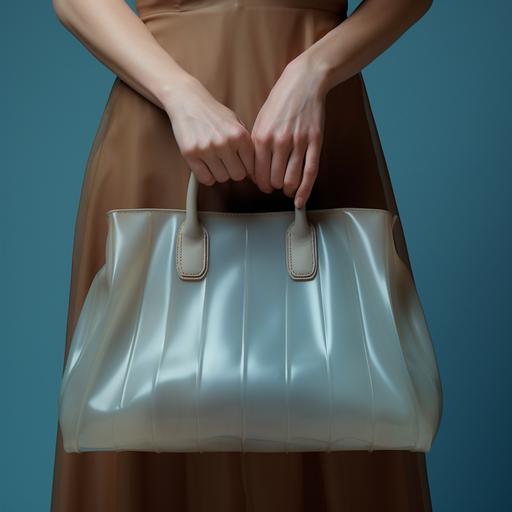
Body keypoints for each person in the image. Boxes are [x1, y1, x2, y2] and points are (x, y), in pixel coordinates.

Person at [50, 0, 435, 510]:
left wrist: (315, 69)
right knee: (140, 403)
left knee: (346, 397)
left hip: (314, 136)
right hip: (162, 126)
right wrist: (176, 91)